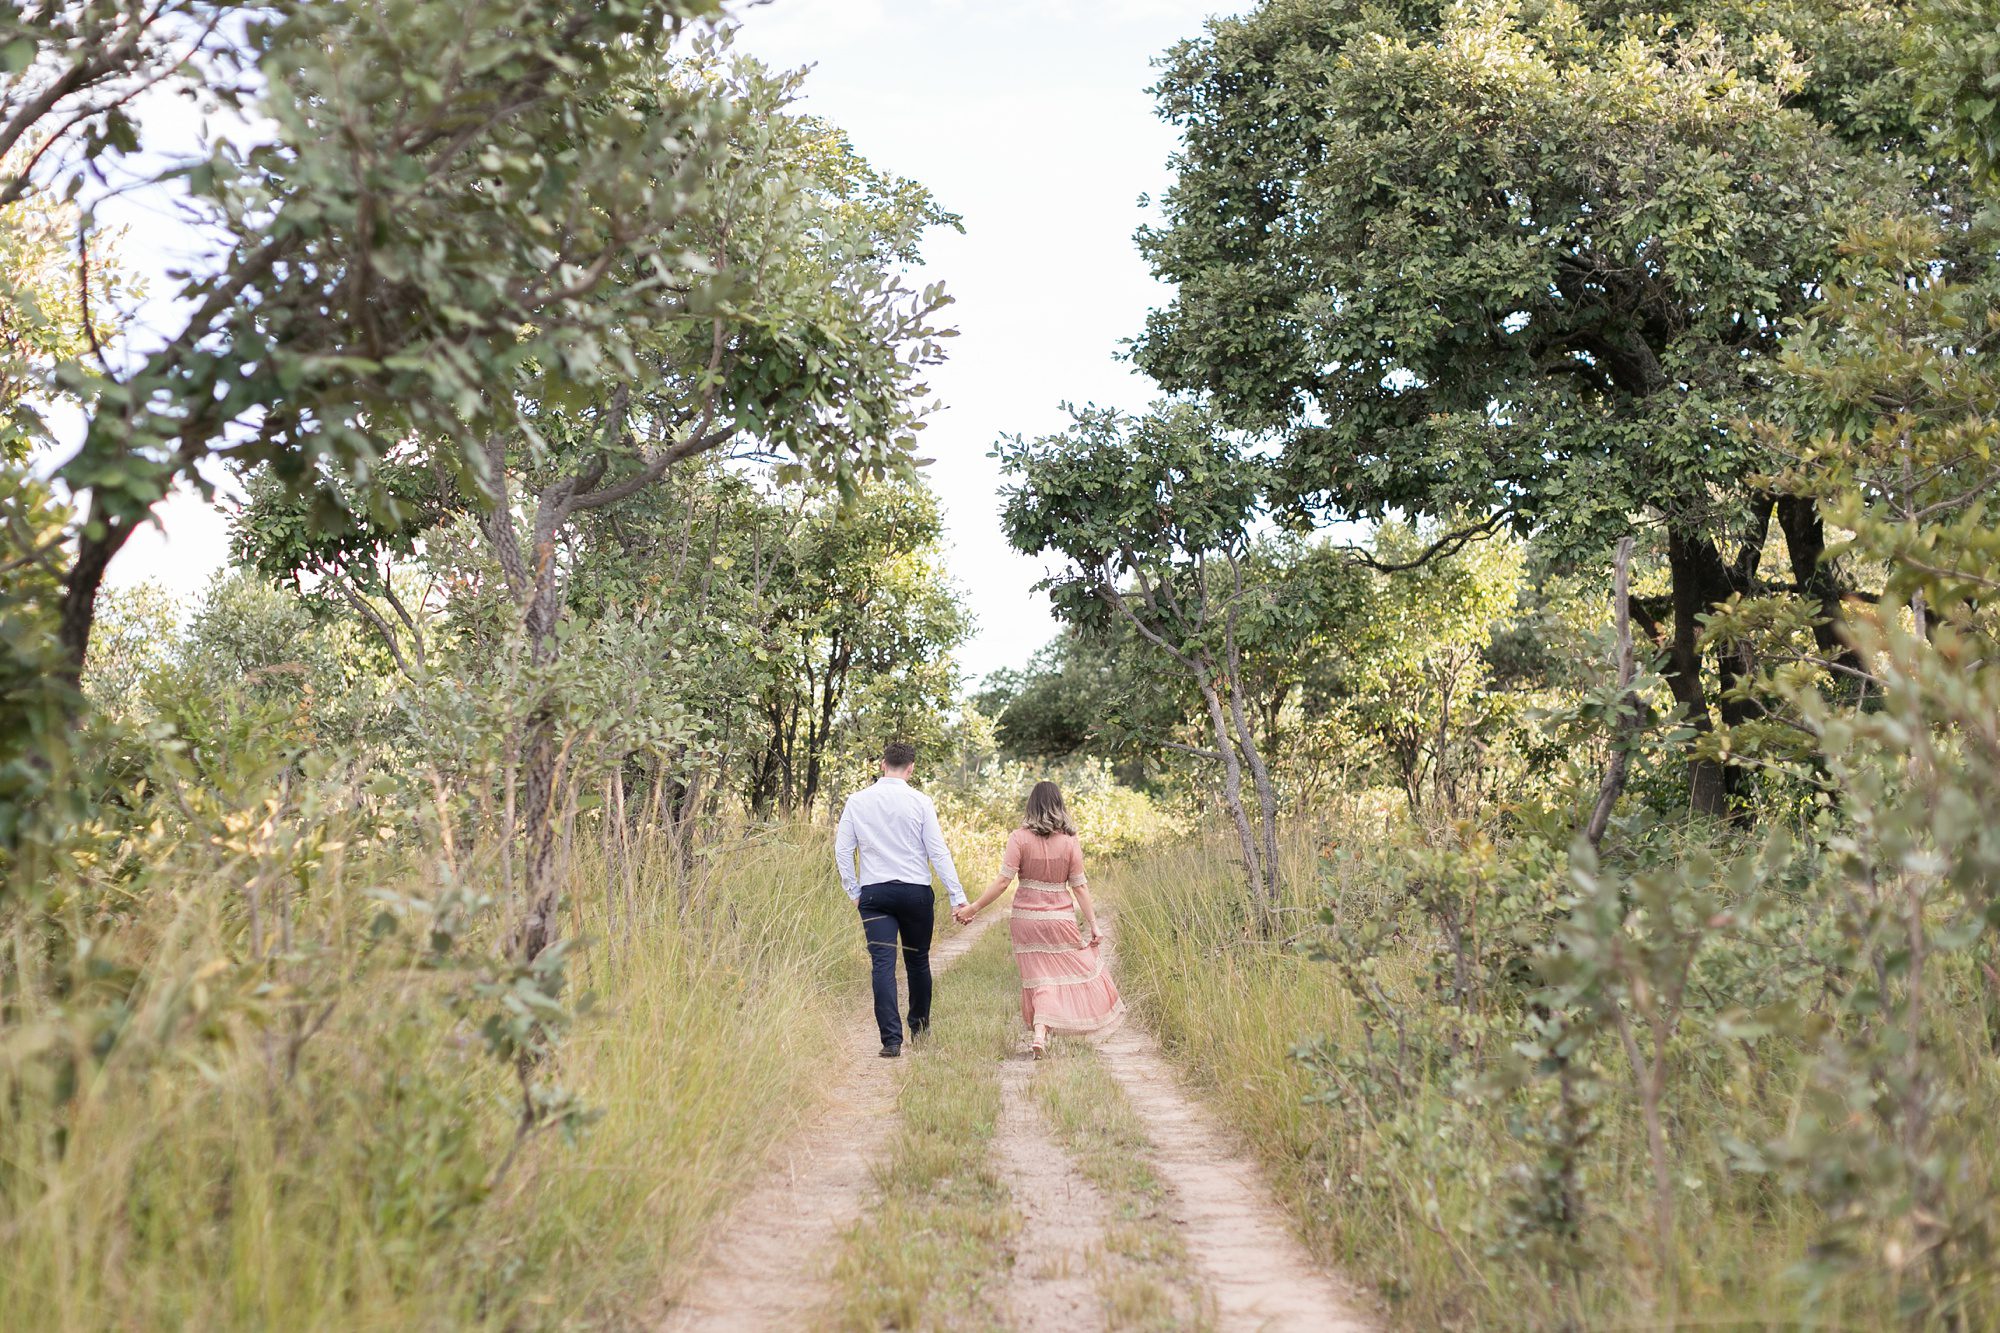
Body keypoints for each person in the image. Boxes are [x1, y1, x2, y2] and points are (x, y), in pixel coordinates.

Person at [955, 780, 1124, 1057]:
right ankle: (1041, 1031)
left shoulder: (1018, 838)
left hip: (1026, 921)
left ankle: (1040, 1032)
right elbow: (1079, 886)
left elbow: (1002, 883)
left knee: (1038, 977)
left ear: (1031, 805)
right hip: (1060, 920)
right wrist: (1093, 924)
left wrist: (973, 908)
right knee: (1056, 976)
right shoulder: (1070, 841)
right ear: (1059, 805)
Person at [834, 740, 967, 1058]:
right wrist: (956, 896)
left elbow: (842, 849)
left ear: (883, 764)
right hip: (915, 893)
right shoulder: (920, 801)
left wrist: (853, 891)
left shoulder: (857, 800)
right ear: (911, 768)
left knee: (882, 965)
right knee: (918, 961)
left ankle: (891, 1040)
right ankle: (919, 1031)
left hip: (875, 893)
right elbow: (937, 851)